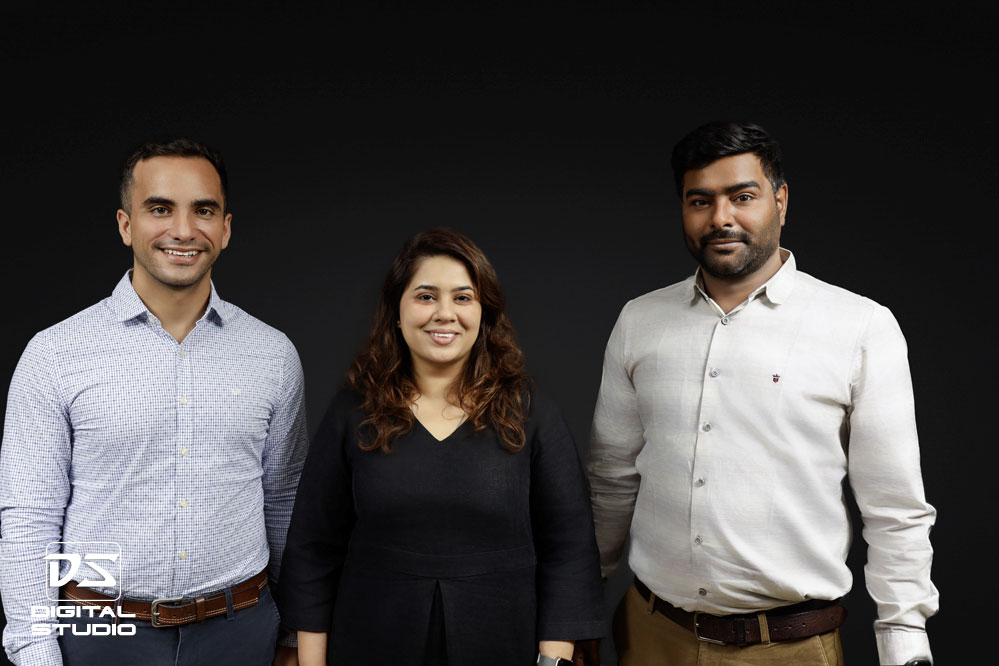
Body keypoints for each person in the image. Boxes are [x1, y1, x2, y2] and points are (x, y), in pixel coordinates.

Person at [586, 122, 937, 666]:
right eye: (700, 200)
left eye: (741, 197)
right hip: (649, 636)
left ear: (780, 200)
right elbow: (610, 479)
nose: (720, 218)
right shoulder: (639, 320)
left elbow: (894, 508)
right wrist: (576, 610)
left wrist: (904, 641)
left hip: (788, 648)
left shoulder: (861, 326)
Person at [0, 138, 308, 666]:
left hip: (241, 634)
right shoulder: (54, 354)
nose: (184, 230)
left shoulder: (272, 355)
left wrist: (291, 637)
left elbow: (284, 503)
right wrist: (35, 652)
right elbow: (30, 516)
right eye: (160, 208)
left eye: (203, 210)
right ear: (125, 225)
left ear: (226, 228)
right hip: (99, 637)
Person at [278, 228, 605, 665]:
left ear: (484, 312)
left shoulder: (531, 413)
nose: (444, 314)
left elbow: (569, 551)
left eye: (463, 298)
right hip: (369, 645)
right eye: (426, 296)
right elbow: (312, 547)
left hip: (504, 646)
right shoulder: (352, 410)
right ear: (397, 310)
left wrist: (553, 662)